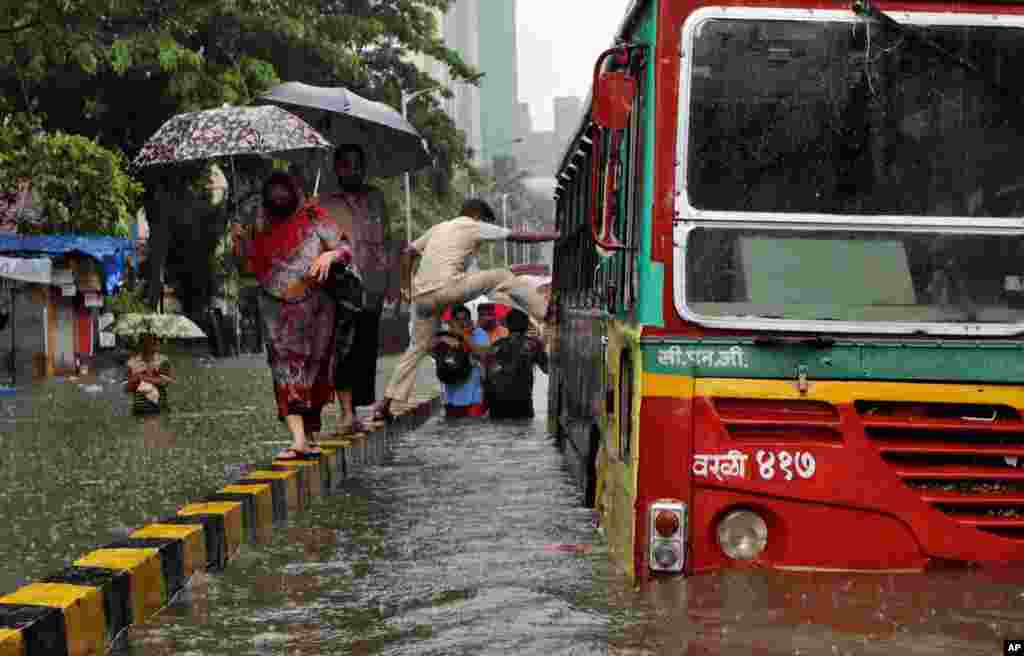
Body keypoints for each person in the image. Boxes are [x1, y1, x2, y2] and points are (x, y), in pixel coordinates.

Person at [373, 199, 558, 422]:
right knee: (501, 275)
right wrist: (554, 235)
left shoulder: (438, 228)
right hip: (448, 289)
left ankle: (385, 404)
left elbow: (407, 253)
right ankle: (546, 312)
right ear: (478, 217)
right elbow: (517, 237)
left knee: (415, 349)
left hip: (421, 297)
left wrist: (406, 287)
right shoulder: (473, 224)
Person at [232, 172, 352, 460]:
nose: (278, 197)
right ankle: (298, 438)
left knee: (316, 369)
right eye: (272, 192)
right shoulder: (257, 222)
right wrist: (238, 244)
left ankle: (308, 437)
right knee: (285, 369)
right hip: (276, 310)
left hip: (318, 307)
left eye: (283, 190)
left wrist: (329, 256)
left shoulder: (313, 215)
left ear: (293, 191)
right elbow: (247, 267)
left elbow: (346, 248)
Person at [316, 145, 392, 434]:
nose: (353, 170)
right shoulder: (324, 203)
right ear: (337, 169)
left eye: (358, 164)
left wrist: (391, 285)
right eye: (346, 165)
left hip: (372, 286)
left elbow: (387, 242)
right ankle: (347, 414)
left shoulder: (376, 199)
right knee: (343, 350)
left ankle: (363, 408)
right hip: (340, 287)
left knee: (367, 349)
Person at [483, 308, 548, 420]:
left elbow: (487, 377)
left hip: (497, 402)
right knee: (522, 433)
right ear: (527, 325)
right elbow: (547, 369)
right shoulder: (534, 345)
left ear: (507, 325)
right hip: (522, 402)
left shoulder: (496, 346)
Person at [434, 304, 489, 418]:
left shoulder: (479, 333)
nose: (461, 323)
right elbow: (431, 351)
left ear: (470, 320)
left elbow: (481, 353)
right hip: (451, 396)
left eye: (464, 319)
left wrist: (463, 336)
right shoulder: (446, 336)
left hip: (473, 397)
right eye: (457, 320)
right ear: (452, 321)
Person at [124, 333, 174, 415]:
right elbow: (127, 388)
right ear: (141, 343)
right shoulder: (132, 362)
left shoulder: (163, 361)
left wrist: (142, 377)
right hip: (139, 407)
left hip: (159, 406)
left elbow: (166, 382)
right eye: (149, 341)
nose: (155, 343)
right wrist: (133, 381)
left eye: (155, 341)